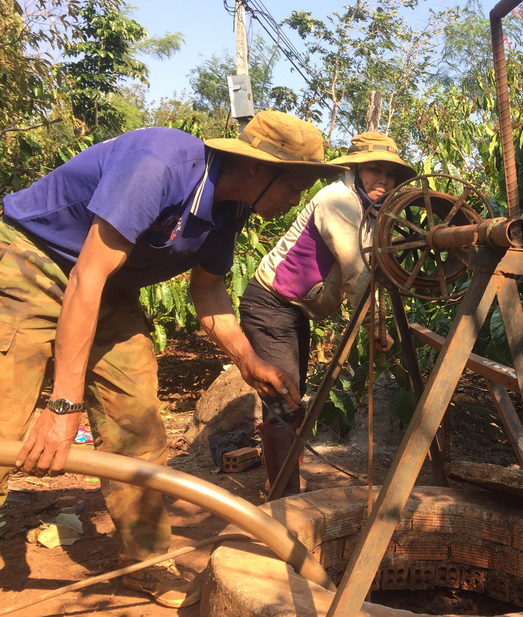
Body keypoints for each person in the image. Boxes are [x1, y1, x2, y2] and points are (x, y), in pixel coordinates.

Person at [0, 111, 346, 608]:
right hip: (32, 261)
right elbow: (85, 277)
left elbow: (206, 290)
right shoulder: (158, 164)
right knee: (4, 423)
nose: (297, 200)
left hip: (108, 286)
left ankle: (143, 561)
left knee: (136, 419)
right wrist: (62, 407)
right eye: (294, 185)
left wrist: (250, 362)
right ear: (256, 168)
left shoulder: (232, 209)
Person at [239, 132, 415, 495]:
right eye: (375, 170)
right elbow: (357, 271)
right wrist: (376, 325)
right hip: (270, 303)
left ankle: (283, 477)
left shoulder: (369, 212)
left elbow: (373, 269)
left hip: (292, 310)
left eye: (391, 174)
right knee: (281, 398)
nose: (384, 180)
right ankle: (283, 497)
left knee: (292, 394)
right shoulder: (339, 200)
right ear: (356, 170)